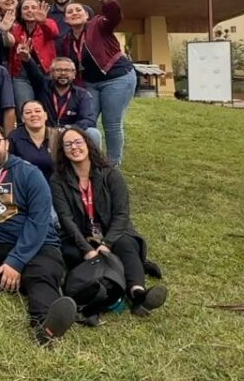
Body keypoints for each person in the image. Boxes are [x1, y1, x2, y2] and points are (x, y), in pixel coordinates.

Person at [0, 122, 77, 346]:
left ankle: (45, 326)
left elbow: (39, 222)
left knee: (41, 270)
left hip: (39, 243)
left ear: (6, 144)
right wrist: (12, 265)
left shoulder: (30, 173)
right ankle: (22, 282)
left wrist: (16, 261)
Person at [51, 126, 167, 317]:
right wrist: (87, 250)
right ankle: (107, 288)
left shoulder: (110, 174)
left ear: (88, 144)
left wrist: (106, 244)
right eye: (68, 144)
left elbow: (121, 214)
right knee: (72, 254)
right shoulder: (58, 180)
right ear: (62, 151)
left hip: (112, 232)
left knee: (126, 244)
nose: (74, 147)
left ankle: (137, 293)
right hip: (81, 235)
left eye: (78, 142)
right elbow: (65, 219)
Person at [58, 0, 136, 165]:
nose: (74, 13)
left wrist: (109, 3)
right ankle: (92, 163)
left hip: (117, 78)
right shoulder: (66, 40)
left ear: (87, 15)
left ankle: (112, 166)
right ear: (65, 19)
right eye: (70, 12)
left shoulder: (98, 24)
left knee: (111, 123)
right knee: (87, 122)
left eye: (78, 10)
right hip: (90, 83)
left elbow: (115, 17)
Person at [22, 55, 100, 146]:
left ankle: (93, 156)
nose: (63, 73)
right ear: (51, 73)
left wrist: (68, 128)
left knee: (93, 132)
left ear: (74, 74)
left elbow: (89, 119)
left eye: (67, 70)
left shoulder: (82, 94)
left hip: (71, 135)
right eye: (58, 70)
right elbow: (34, 73)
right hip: (45, 134)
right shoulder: (42, 87)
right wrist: (28, 59)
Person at [7, 0, 58, 112]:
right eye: (25, 8)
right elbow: (9, 44)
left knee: (47, 109)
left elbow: (54, 33)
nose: (29, 10)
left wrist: (43, 22)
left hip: (45, 73)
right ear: (20, 12)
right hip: (22, 75)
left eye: (33, 7)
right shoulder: (15, 28)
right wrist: (5, 31)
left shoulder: (48, 23)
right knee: (25, 108)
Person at [7, 100, 57, 179]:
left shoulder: (57, 136)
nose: (33, 114)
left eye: (37, 111)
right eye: (28, 112)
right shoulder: (14, 137)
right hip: (25, 182)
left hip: (54, 183)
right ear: (22, 118)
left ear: (46, 116)